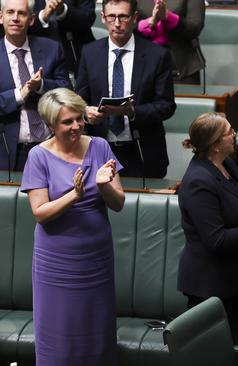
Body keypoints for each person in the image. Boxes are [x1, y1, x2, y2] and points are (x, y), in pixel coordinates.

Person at [20, 87, 125, 365]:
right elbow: (40, 213)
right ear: (51, 124)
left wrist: (104, 186)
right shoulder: (38, 156)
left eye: (79, 118)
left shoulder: (100, 147)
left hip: (96, 258)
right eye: (68, 122)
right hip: (56, 262)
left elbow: (118, 203)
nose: (77, 126)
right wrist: (74, 195)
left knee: (96, 329)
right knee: (59, 332)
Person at [177, 112, 238, 347]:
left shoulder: (226, 164)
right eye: (229, 132)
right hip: (211, 288)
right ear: (214, 144)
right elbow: (217, 240)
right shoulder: (198, 181)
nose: (235, 135)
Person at [76, 0, 176, 178]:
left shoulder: (157, 56)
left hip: (143, 150)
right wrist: (85, 112)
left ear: (135, 17)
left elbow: (166, 105)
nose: (116, 23)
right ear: (103, 18)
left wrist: (133, 112)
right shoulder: (89, 53)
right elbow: (79, 98)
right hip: (100, 152)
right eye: (111, 17)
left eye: (123, 16)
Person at [0, 0, 70, 171]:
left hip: (50, 147)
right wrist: (19, 95)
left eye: (21, 13)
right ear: (1, 17)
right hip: (8, 152)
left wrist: (41, 85)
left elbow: (68, 91)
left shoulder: (51, 49)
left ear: (31, 20)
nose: (15, 18)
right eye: (10, 13)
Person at [136, 0, 205, 83]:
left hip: (182, 69)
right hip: (143, 67)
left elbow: (195, 27)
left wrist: (169, 17)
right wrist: (148, 23)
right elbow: (123, 26)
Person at [29, 0, 96, 74]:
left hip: (79, 55)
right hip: (39, 61)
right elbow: (18, 23)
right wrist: (42, 16)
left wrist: (63, 11)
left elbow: (88, 17)